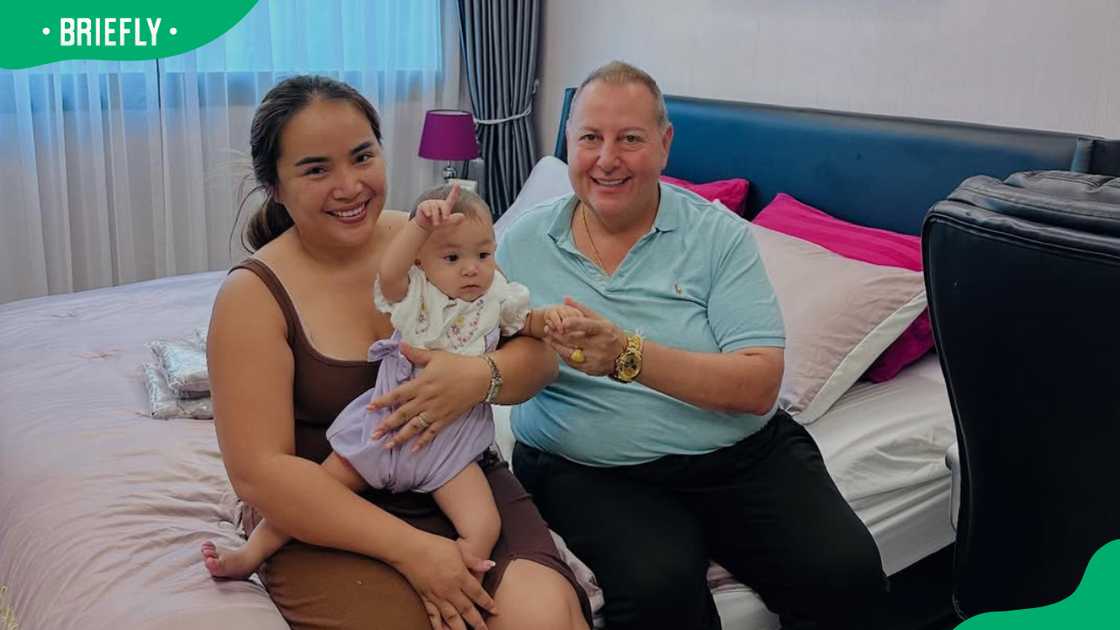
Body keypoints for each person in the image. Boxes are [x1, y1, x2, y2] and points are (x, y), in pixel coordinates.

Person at [497, 61, 888, 630]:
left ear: (664, 144)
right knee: (660, 593)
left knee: (846, 575)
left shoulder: (718, 236)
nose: (607, 159)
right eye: (589, 139)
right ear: (569, 143)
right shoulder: (523, 243)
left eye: (630, 139)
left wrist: (626, 356)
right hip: (586, 468)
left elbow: (758, 386)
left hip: (740, 458)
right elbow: (489, 344)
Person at [204, 74, 591, 630]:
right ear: (276, 186)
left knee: (546, 617)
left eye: (362, 157)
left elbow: (537, 359)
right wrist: (414, 551)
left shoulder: (440, 237)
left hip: (459, 476)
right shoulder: (252, 296)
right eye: (316, 169)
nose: (349, 186)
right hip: (327, 509)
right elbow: (261, 474)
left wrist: (479, 376)